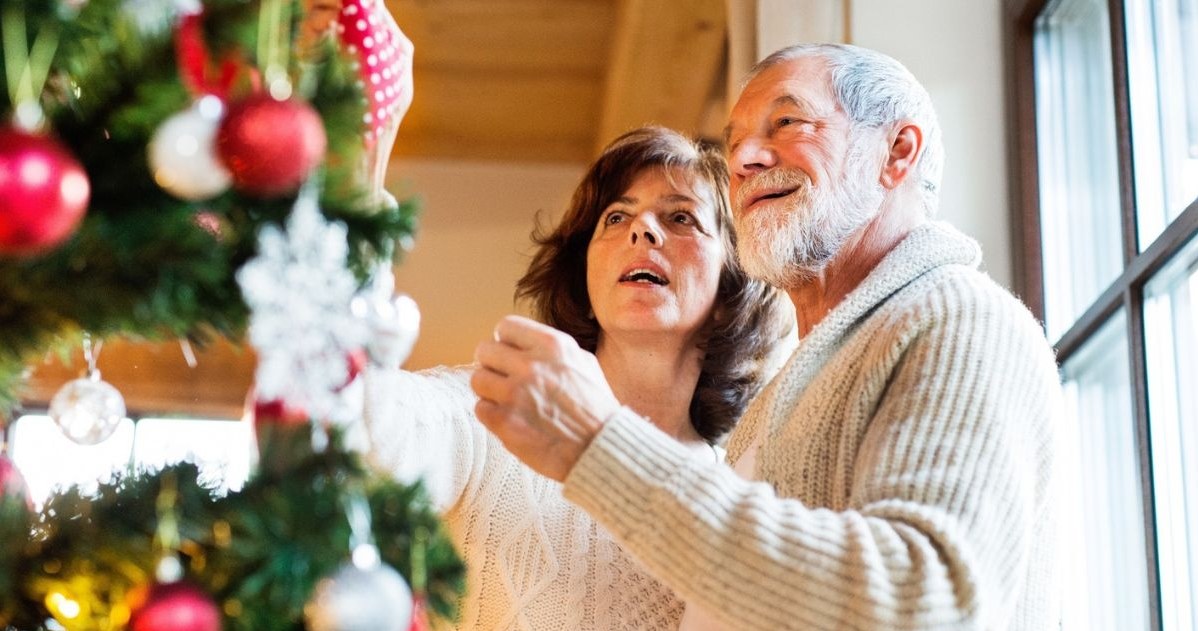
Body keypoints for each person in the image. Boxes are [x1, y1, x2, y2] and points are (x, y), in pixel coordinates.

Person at [471, 43, 1062, 630]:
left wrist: (599, 446)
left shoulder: (962, 318)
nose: (746, 159)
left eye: (786, 123)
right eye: (735, 144)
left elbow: (923, 602)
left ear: (896, 153)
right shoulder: (778, 401)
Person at [362, 126, 793, 629]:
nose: (642, 231)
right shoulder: (499, 411)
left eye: (681, 217)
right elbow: (373, 438)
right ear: (585, 280)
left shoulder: (744, 484)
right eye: (616, 217)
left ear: (731, 290)